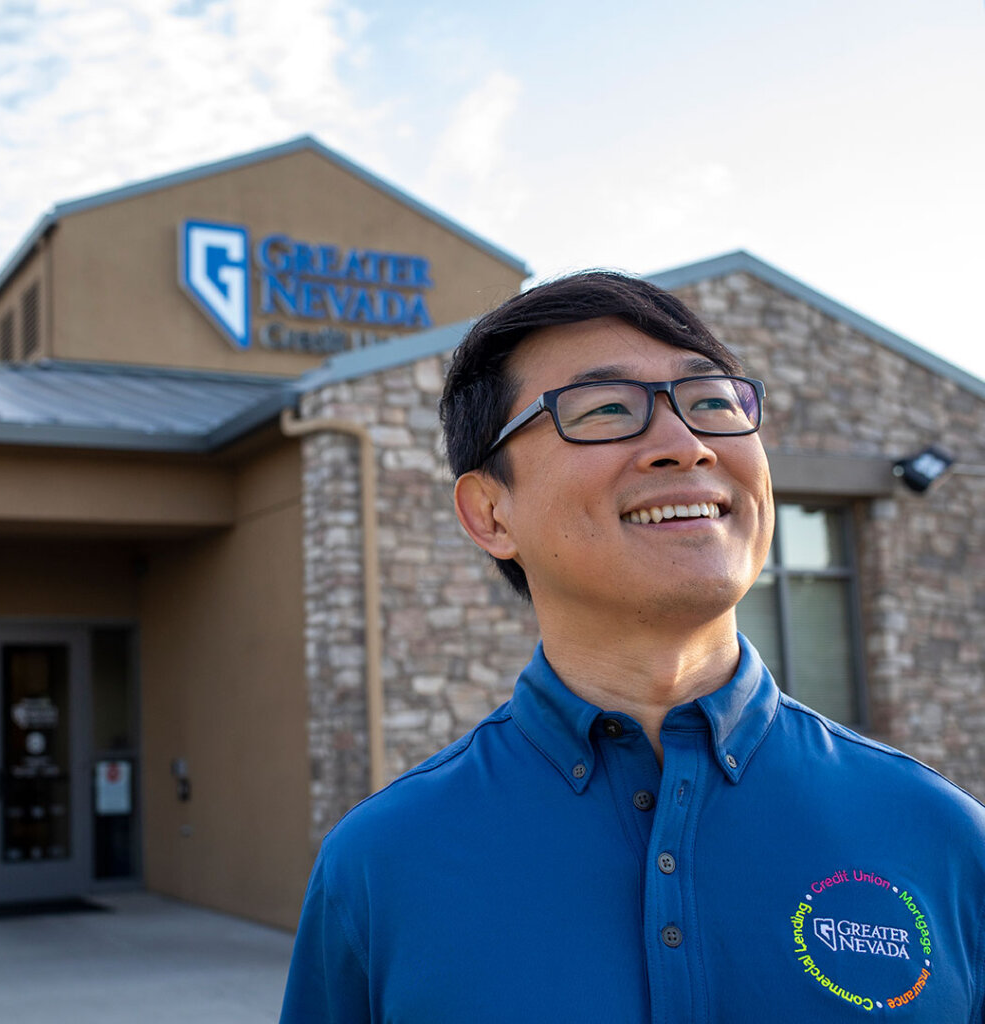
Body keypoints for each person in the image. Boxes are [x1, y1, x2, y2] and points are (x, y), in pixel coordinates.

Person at [280, 271, 985, 1022]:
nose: (685, 446)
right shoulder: (383, 865)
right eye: (607, 409)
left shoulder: (940, 835)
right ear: (489, 512)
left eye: (713, 403)